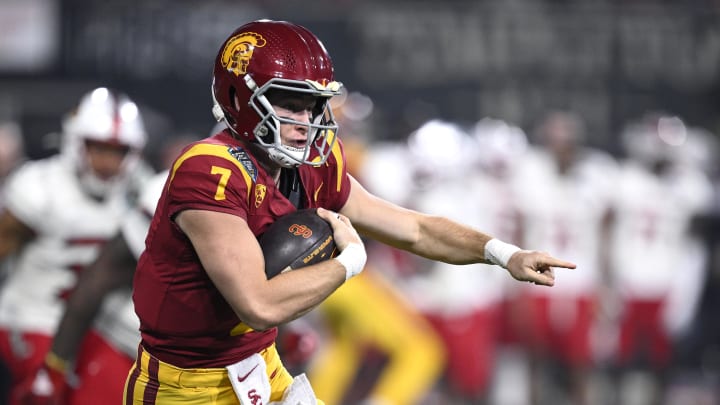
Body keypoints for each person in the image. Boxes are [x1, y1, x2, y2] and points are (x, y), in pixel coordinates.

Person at [125, 19, 576, 405]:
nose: (307, 120)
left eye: (313, 104)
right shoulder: (210, 169)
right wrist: (348, 265)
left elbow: (415, 229)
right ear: (239, 97)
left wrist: (503, 254)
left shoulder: (314, 162)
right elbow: (258, 303)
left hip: (258, 365)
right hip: (186, 386)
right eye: (290, 103)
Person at [0, 87, 152, 405]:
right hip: (32, 316)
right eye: (98, 147)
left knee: (117, 392)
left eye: (119, 151)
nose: (108, 161)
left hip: (98, 325)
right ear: (75, 141)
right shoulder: (40, 187)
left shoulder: (139, 192)